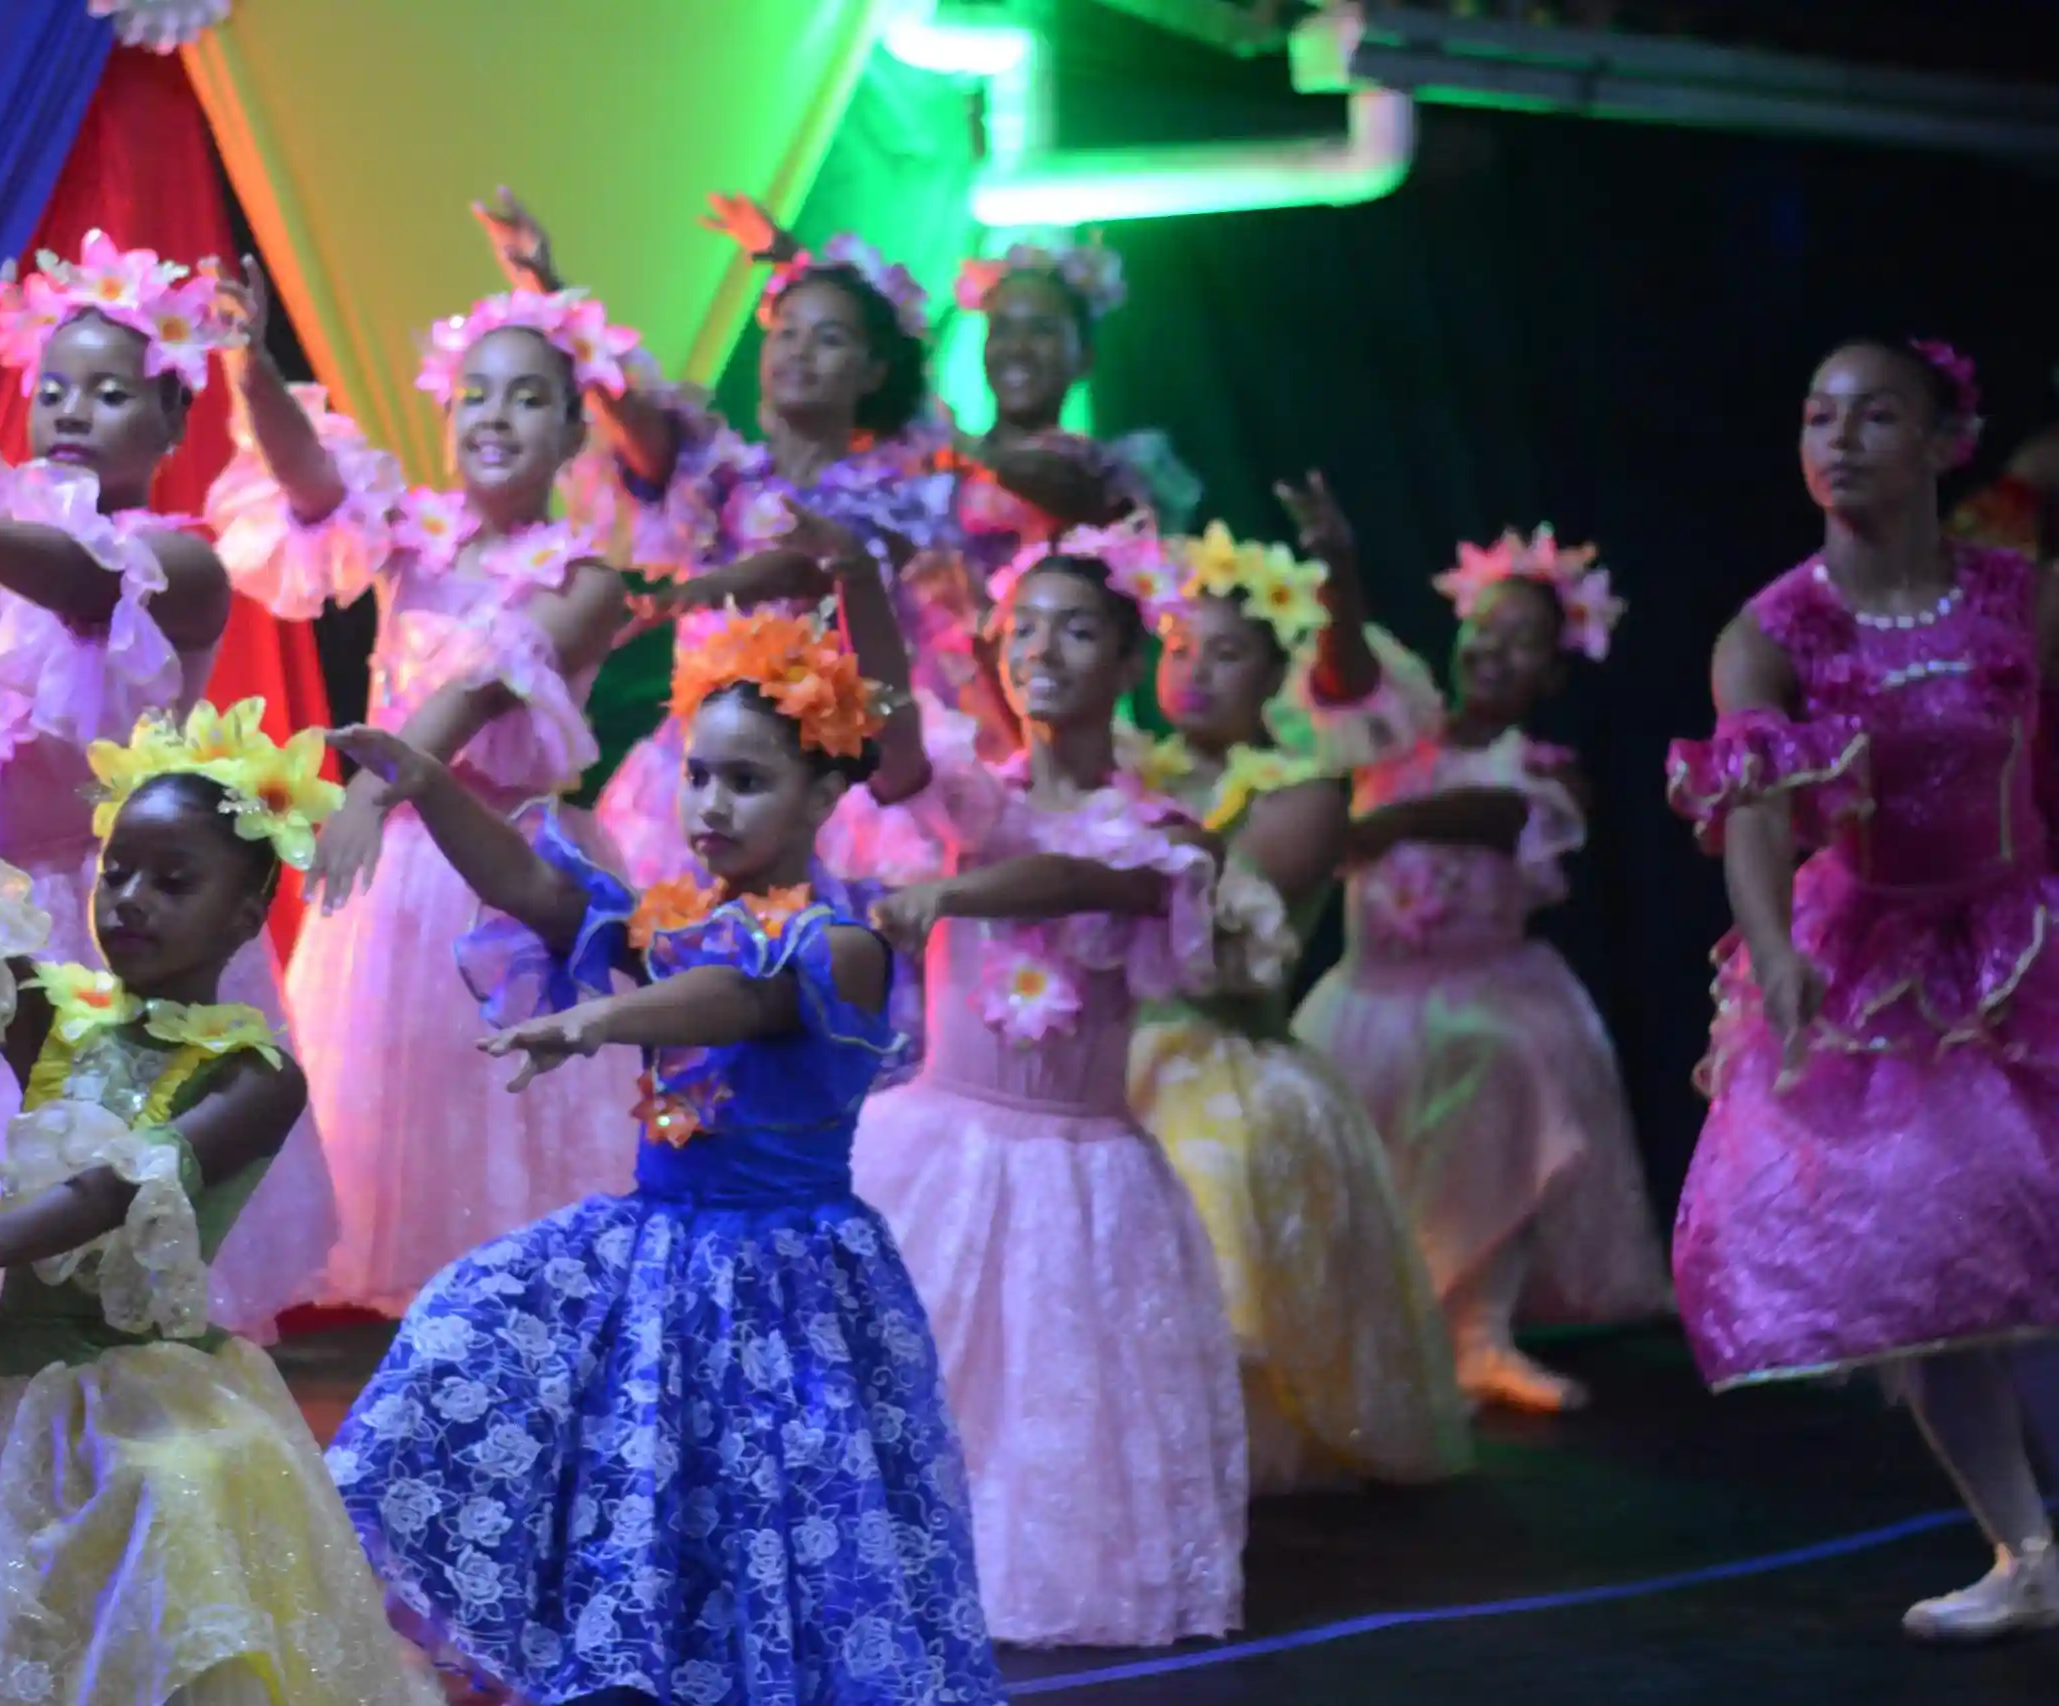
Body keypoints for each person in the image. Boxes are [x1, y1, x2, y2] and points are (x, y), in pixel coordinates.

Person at [0, 611, 435, 1704]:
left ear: (251, 909)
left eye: (173, 880)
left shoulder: (256, 1074)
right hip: (5, 1392)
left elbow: (127, 1181)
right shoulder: (61, 1015)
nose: (130, 900)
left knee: (161, 1591)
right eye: (120, 872)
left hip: (151, 1397)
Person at [324, 606, 1005, 1706]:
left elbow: (744, 996)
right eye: (700, 777)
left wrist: (594, 1021)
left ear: (825, 795)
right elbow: (537, 892)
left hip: (783, 1284)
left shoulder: (844, 943)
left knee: (767, 1525)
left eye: (748, 781)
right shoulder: (678, 918)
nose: (711, 805)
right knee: (483, 1324)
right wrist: (429, 780)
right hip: (658, 1256)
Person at [0, 214, 336, 1340]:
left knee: (120, 1236)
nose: (74, 412)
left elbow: (85, 581)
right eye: (56, 390)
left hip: (125, 923)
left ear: (175, 415)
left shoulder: (181, 558)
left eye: (113, 392)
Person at [1667, 337, 2059, 1642]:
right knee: (1928, 1271)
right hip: (1885, 968)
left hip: (2025, 940)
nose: (1839, 439)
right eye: (1818, 413)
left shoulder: (2021, 596)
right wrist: (1775, 951)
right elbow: (1758, 810)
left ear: (1946, 439)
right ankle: (2029, 1548)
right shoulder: (1775, 628)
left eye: (1876, 414)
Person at [851, 519, 1263, 1647]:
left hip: (1079, 1171)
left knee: (1049, 1398)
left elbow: (1092, 875)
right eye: (1023, 626)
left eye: (1078, 629)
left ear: (1131, 660)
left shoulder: (1166, 831)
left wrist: (958, 897)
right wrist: (855, 577)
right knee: (925, 1378)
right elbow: (887, 744)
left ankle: (1025, 1578)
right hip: (941, 1140)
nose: (1043, 648)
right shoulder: (973, 798)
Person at [207, 280, 633, 1312]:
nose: (496, 414)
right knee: (389, 1128)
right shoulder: (412, 538)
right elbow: (309, 483)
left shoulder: (587, 578)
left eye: (529, 397)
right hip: (398, 882)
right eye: (476, 394)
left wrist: (374, 781)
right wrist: (250, 365)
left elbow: (489, 680)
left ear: (576, 429)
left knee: (501, 1134)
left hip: (511, 873)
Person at [1128, 482, 1471, 1492]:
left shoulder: (1298, 790)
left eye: (1225, 651)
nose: (1194, 670)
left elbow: (1220, 935)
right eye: (1180, 647)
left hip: (1225, 1050)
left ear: (1275, 670)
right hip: (1114, 1044)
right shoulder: (1119, 765)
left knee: (1218, 1171)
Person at [1292, 513, 1667, 1412]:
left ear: (1553, 672)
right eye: (1485, 627)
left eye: (1524, 641)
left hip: (1488, 995)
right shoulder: (1401, 728)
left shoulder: (1542, 769)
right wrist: (1341, 572)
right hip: (1370, 999)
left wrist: (1395, 824)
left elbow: (1503, 819)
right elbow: (1344, 672)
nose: (1496, 649)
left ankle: (1479, 1338)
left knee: (1499, 1106)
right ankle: (1373, 1348)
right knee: (1360, 1170)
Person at [469, 188, 969, 862]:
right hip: (695, 768)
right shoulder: (719, 474)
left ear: (874, 369)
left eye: (829, 338)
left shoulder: (896, 497)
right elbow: (628, 411)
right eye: (785, 331)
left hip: (823, 780)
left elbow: (806, 566)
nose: (799, 351)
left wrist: (696, 594)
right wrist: (541, 282)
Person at [944, 235, 1201, 550]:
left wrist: (950, 446)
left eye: (1042, 331)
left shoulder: (1104, 475)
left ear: (1084, 358)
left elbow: (1046, 477)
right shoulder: (942, 469)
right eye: (1002, 330)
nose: (1016, 348)